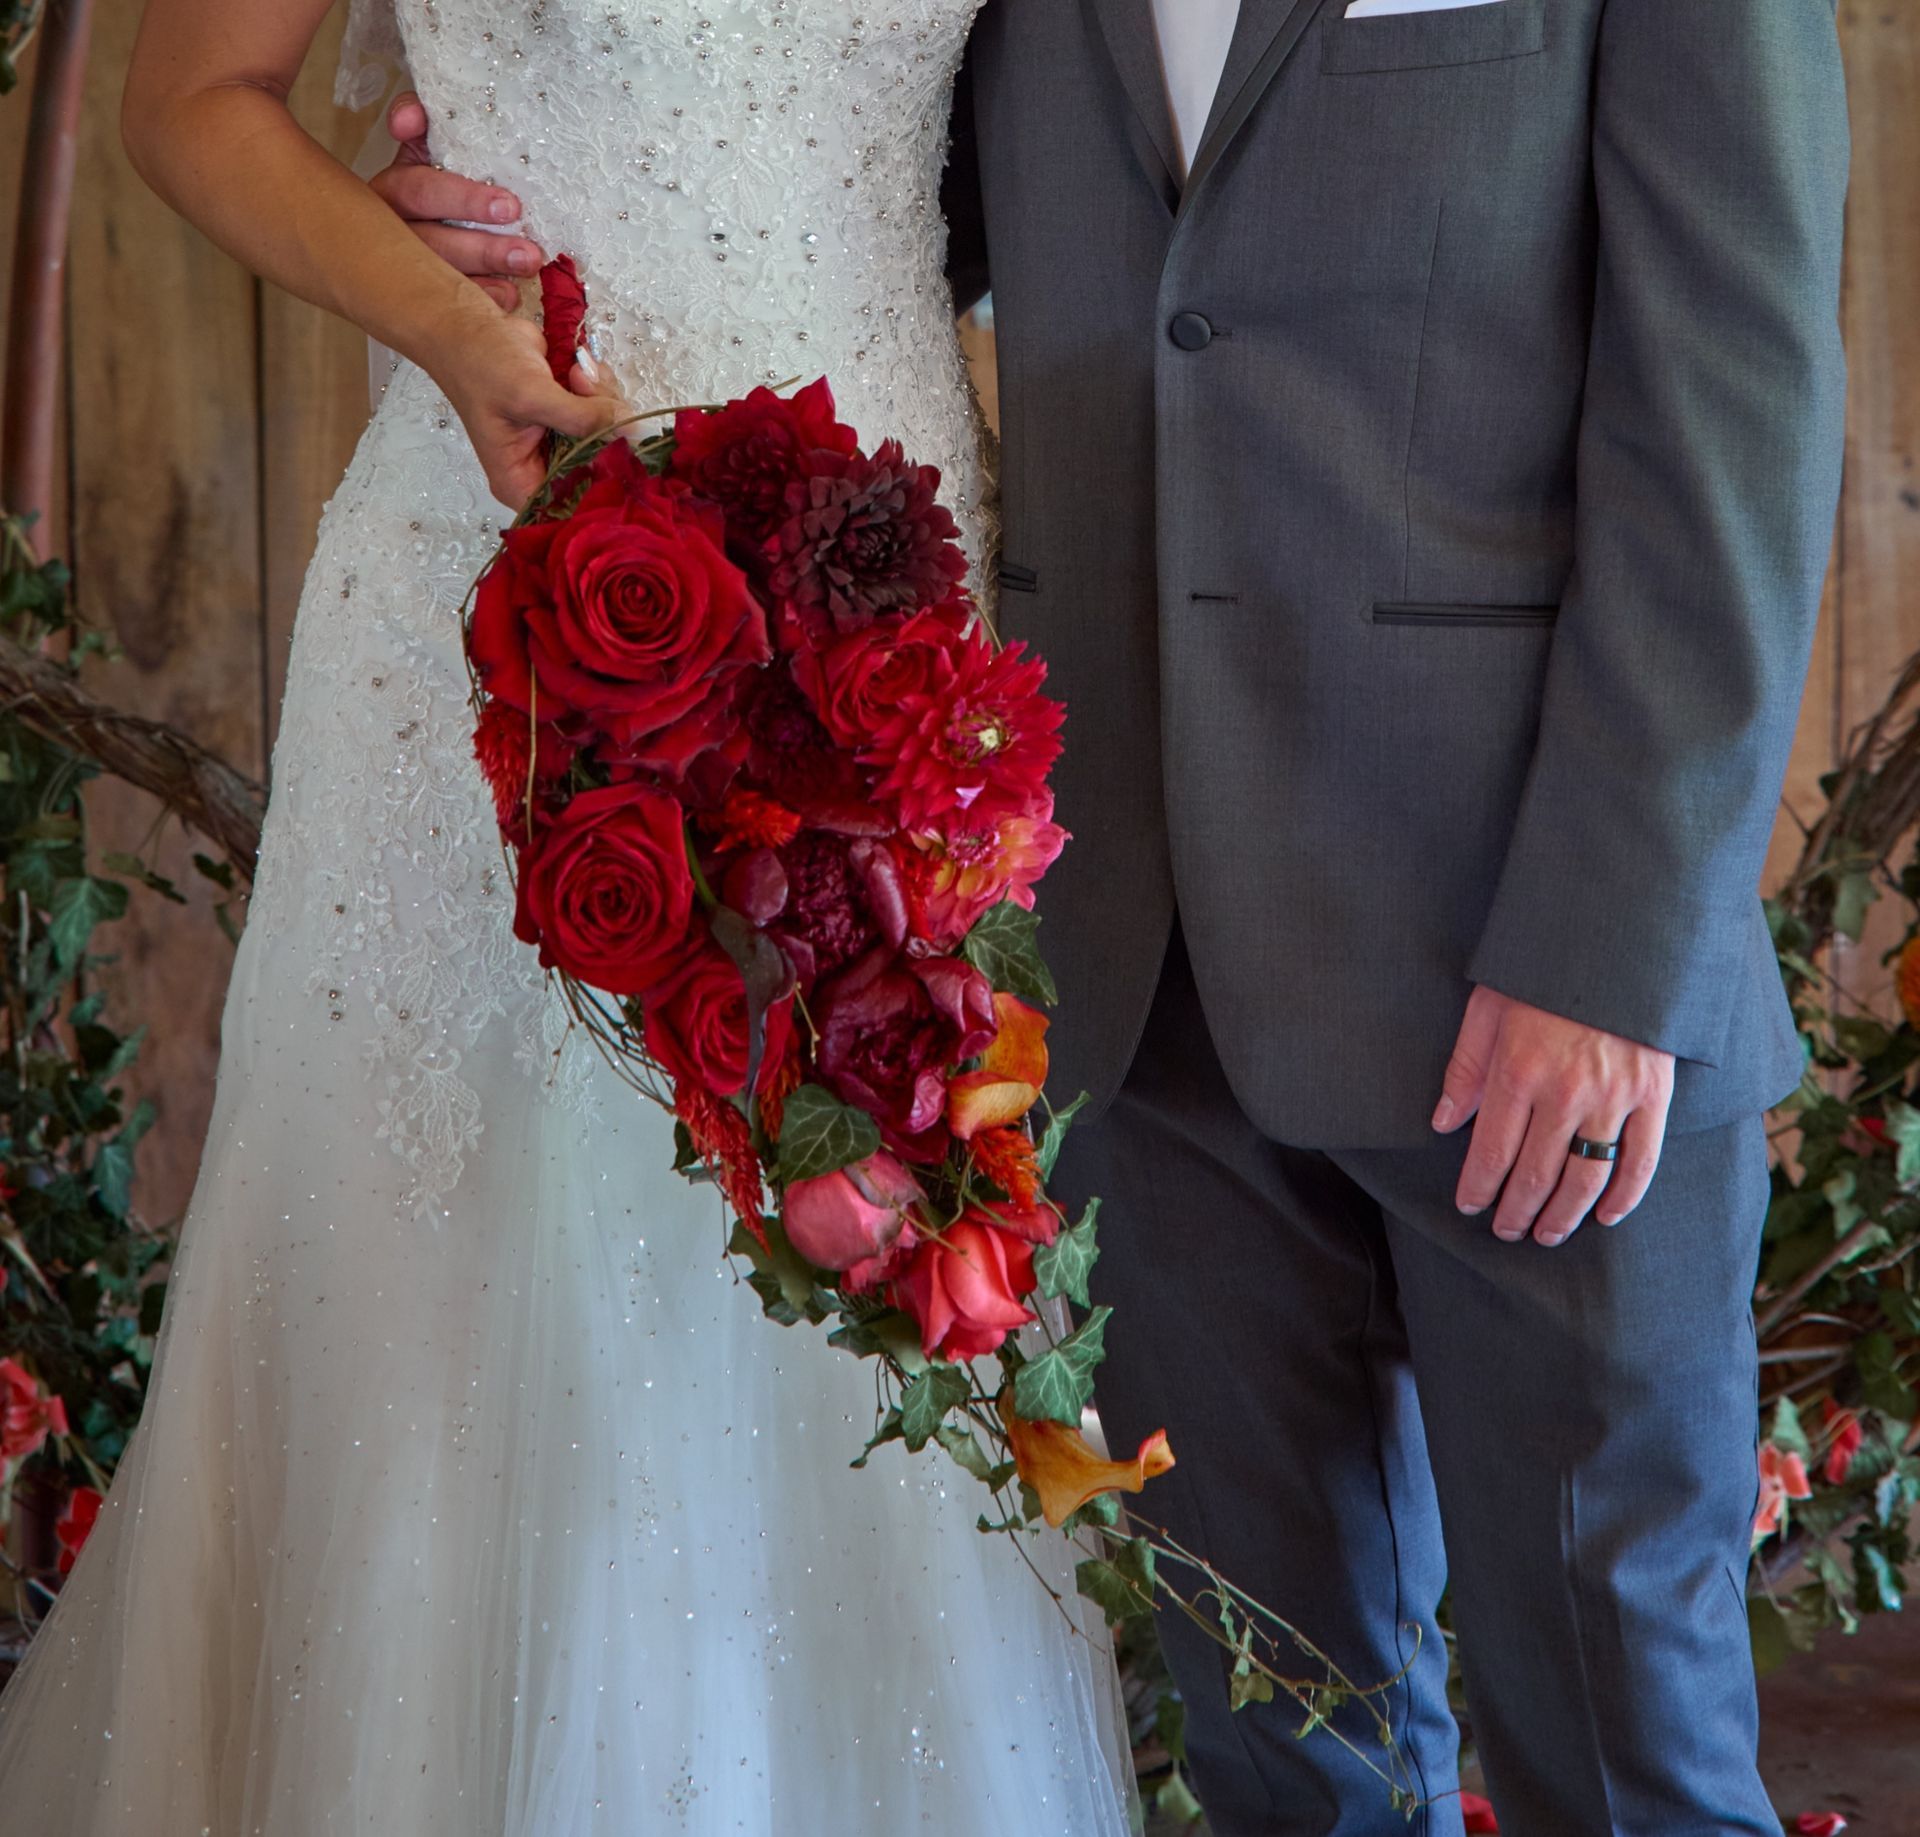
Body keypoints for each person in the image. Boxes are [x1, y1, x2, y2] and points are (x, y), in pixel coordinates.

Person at [379, 1, 1851, 1831]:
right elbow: (855, 177)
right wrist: (527, 193)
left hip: (1533, 966)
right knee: (1282, 1762)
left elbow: (1740, 397)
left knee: (1628, 1754)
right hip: (1136, 965)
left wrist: (1609, 944)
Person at [0, 3, 1137, 1832]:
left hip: (887, 594)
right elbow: (185, 102)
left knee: (843, 1245)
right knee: (484, 1290)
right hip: (514, 523)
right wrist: (452, 326)